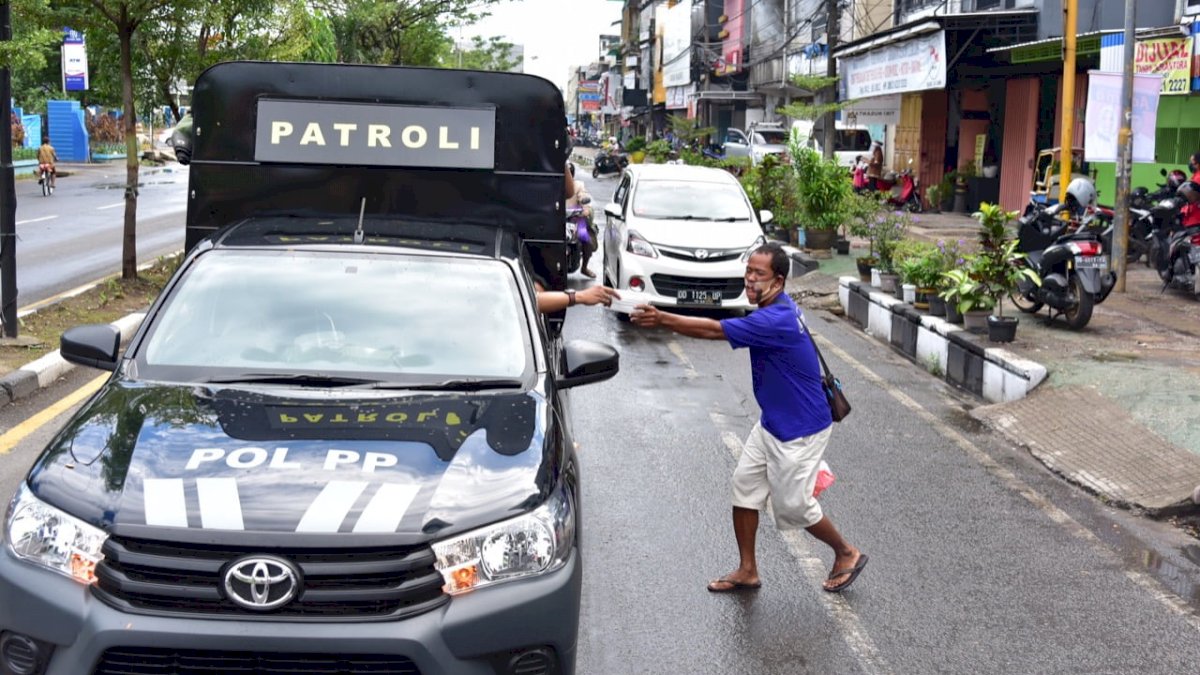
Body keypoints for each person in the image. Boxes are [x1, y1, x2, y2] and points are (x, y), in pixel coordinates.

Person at [630, 242, 867, 594]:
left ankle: (846, 552)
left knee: (794, 506)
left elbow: (714, 330)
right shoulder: (777, 307)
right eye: (748, 272)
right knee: (744, 488)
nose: (750, 280)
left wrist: (661, 318)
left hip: (799, 428)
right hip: (774, 420)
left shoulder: (775, 319)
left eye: (759, 274)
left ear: (780, 280)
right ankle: (747, 569)